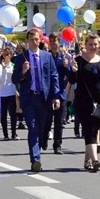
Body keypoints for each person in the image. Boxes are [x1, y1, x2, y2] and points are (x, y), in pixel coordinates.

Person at [12, 28, 60, 173]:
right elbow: (14, 79)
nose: (35, 42)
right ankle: (35, 159)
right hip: (29, 98)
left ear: (40, 40)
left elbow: (54, 76)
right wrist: (23, 72)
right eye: (32, 39)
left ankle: (38, 148)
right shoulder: (21, 58)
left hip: (44, 98)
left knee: (41, 128)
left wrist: (56, 96)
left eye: (37, 39)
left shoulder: (47, 56)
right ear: (28, 41)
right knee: (33, 128)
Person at [67, 33, 100, 172]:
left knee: (95, 130)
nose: (93, 47)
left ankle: (87, 160)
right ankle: (95, 160)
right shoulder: (79, 60)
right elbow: (73, 80)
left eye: (95, 44)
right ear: (85, 45)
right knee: (89, 130)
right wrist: (73, 70)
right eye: (90, 44)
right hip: (83, 102)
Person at [44, 32, 70, 154]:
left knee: (59, 122)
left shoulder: (62, 57)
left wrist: (67, 66)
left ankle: (57, 145)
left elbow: (69, 76)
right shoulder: (45, 56)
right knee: (47, 120)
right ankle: (44, 140)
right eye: (52, 41)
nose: (54, 43)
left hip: (60, 93)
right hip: (48, 94)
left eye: (56, 41)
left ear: (59, 43)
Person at [0, 47, 18, 141]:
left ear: (11, 55)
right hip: (2, 93)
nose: (6, 56)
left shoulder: (13, 65)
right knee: (3, 115)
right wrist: (3, 69)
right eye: (5, 54)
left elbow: (15, 80)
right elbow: (1, 81)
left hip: (11, 92)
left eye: (8, 54)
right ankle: (5, 134)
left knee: (13, 114)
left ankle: (14, 133)